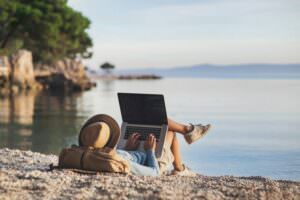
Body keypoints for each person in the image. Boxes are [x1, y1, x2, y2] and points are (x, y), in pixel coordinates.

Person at [79, 114, 211, 176]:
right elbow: (153, 172)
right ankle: (180, 169)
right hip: (153, 161)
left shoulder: (95, 155)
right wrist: (150, 150)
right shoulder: (118, 161)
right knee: (169, 130)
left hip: (132, 152)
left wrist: (127, 149)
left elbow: (119, 155)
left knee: (156, 120)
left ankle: (188, 131)